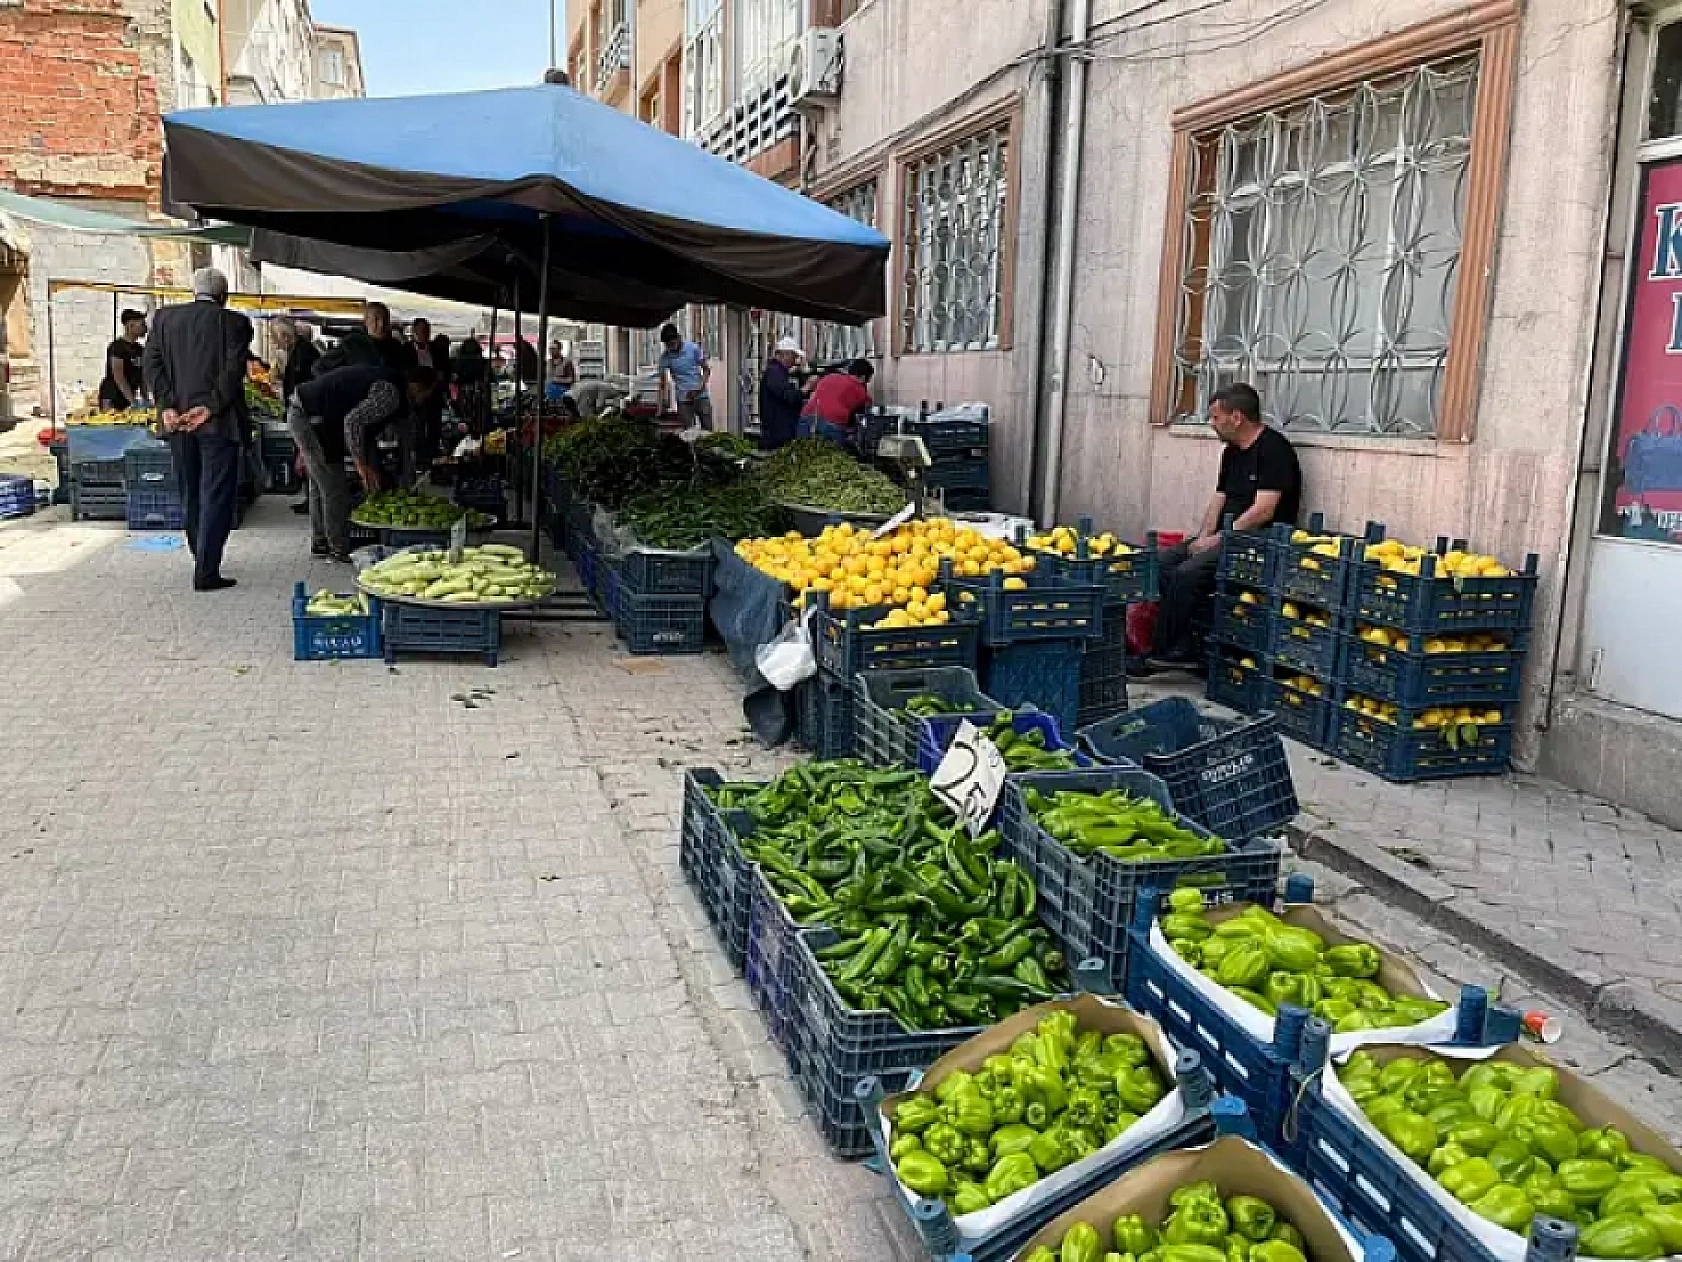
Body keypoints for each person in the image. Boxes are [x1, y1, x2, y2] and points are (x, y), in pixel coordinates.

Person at [1145, 382, 1303, 670]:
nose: (1211, 424)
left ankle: (1169, 651)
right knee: (1164, 562)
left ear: (1237, 417)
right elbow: (1219, 499)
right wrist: (1202, 537)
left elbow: (1263, 511)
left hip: (1260, 539)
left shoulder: (1274, 450)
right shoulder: (1231, 452)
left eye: (1216, 417)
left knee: (1188, 572)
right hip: (1224, 536)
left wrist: (1217, 540)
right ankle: (1186, 644)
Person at [143, 267, 253, 592]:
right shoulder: (235, 323)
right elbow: (233, 372)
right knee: (216, 495)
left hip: (178, 424)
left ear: (195, 292)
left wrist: (167, 406)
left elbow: (152, 365)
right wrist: (211, 406)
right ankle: (207, 570)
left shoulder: (163, 320)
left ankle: (200, 556)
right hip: (218, 423)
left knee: (190, 490)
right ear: (224, 296)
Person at [801, 358, 874, 448]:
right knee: (833, 454)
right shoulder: (860, 390)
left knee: (804, 451)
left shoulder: (829, 377)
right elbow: (866, 412)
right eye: (868, 380)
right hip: (831, 426)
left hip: (805, 420)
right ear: (863, 377)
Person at [408, 318, 450, 465]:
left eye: (426, 331)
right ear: (414, 332)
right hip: (415, 397)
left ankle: (433, 458)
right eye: (420, 330)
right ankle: (420, 459)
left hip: (434, 396)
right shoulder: (406, 349)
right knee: (417, 429)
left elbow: (444, 371)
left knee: (434, 428)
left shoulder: (436, 350)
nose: (424, 334)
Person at [657, 323, 713, 429]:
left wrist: (699, 387)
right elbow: (662, 384)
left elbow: (706, 370)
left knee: (708, 431)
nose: (670, 348)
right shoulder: (665, 357)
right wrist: (659, 409)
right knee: (687, 433)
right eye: (668, 345)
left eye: (672, 344)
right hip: (683, 400)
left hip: (701, 396)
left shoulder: (693, 348)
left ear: (679, 338)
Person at [758, 335, 808, 451]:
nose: (795, 360)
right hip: (777, 434)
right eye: (794, 356)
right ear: (785, 355)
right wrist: (806, 388)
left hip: (782, 430)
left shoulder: (781, 372)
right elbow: (788, 396)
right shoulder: (774, 372)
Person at [98, 309, 148, 410]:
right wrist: (133, 401)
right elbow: (119, 377)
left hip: (128, 397)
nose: (145, 329)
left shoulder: (140, 349)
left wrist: (145, 399)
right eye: (142, 325)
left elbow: (142, 377)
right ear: (130, 325)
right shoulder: (117, 347)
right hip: (112, 397)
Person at [275, 319, 320, 404]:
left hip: (303, 403)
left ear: (286, 336)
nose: (278, 342)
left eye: (279, 337)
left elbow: (297, 379)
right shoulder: (297, 350)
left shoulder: (303, 351)